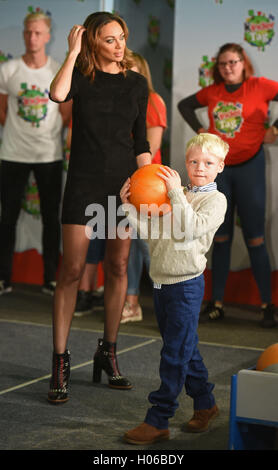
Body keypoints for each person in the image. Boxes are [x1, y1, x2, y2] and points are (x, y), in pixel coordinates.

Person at [47, 11, 151, 404]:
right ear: (93, 42)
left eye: (121, 37)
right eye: (109, 39)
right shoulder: (80, 77)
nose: (119, 44)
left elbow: (140, 142)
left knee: (119, 267)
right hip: (84, 184)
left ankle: (108, 351)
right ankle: (60, 360)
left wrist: (150, 187)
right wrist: (72, 52)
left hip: (122, 188)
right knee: (72, 269)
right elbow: (57, 95)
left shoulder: (137, 83)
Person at [120, 133, 228, 444]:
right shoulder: (175, 194)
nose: (200, 167)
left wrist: (176, 195)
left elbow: (192, 227)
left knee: (173, 353)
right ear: (185, 163)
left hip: (186, 286)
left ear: (220, 166)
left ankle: (159, 418)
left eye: (208, 163)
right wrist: (129, 207)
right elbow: (152, 233)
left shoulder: (214, 200)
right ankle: (206, 404)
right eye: (194, 161)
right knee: (185, 348)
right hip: (161, 283)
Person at [178, 43, 278, 328]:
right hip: (218, 170)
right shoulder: (212, 92)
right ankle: (217, 302)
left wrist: (276, 129)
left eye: (233, 62)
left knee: (255, 237)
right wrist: (200, 130)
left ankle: (267, 305)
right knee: (219, 237)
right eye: (223, 64)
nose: (228, 68)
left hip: (250, 167)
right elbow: (184, 105)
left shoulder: (260, 86)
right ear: (217, 67)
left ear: (243, 63)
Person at [0, 11, 71, 296]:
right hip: (12, 154)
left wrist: (45, 135)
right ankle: (3, 277)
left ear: (48, 36)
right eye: (28, 32)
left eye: (38, 32)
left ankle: (50, 278)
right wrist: (22, 133)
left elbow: (67, 113)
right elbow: (2, 111)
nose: (32, 37)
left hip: (49, 155)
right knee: (7, 218)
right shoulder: (9, 69)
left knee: (51, 217)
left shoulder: (57, 69)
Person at [121, 52, 167, 324]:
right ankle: (132, 303)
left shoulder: (154, 100)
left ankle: (168, 307)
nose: (128, 73)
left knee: (149, 248)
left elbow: (151, 147)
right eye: (125, 68)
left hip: (148, 184)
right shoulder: (120, 99)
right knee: (131, 246)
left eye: (134, 68)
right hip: (126, 182)